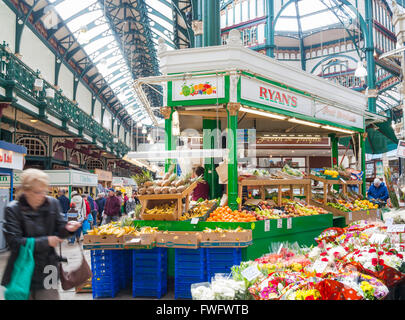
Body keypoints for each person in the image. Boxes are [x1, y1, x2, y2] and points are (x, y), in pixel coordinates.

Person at [2, 169, 81, 300]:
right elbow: (14, 242)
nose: (42, 195)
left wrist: (68, 229)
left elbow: (60, 228)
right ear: (26, 191)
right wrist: (47, 241)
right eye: (38, 192)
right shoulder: (13, 209)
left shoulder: (52, 204)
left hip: (48, 267)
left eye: (45, 191)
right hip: (22, 267)